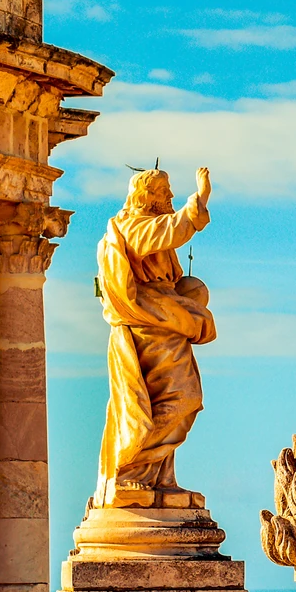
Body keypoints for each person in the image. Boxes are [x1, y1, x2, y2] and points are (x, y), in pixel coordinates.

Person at [94, 166, 216, 506]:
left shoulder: (143, 229)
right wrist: (200, 197)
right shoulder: (135, 228)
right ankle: (131, 470)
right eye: (166, 192)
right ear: (150, 197)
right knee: (181, 399)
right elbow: (176, 228)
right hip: (153, 323)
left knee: (168, 400)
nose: (171, 198)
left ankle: (159, 479)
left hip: (167, 319)